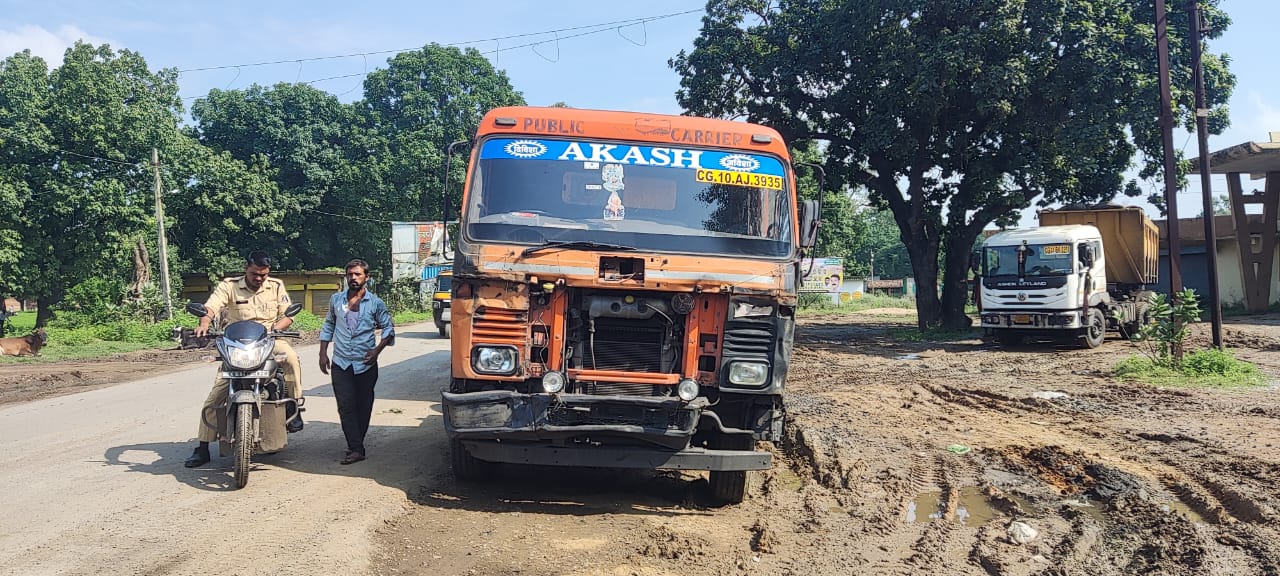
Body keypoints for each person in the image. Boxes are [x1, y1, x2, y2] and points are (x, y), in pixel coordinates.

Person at [184, 250, 303, 468]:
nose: (259, 278)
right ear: (246, 268)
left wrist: (275, 329)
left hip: (268, 338)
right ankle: (202, 448)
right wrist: (204, 323)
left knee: (292, 358)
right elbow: (211, 306)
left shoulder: (276, 286)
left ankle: (294, 408)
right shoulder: (229, 285)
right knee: (216, 395)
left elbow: (288, 314)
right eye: (255, 273)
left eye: (263, 274)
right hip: (237, 344)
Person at [319, 259, 395, 465]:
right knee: (345, 405)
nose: (353, 278)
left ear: (366, 278)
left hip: (365, 363)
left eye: (358, 274)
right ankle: (356, 448)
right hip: (341, 362)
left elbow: (388, 329)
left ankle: (356, 442)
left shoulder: (376, 303)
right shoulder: (336, 300)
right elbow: (328, 325)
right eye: (350, 274)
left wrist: (377, 350)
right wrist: (323, 353)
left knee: (364, 404)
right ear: (346, 276)